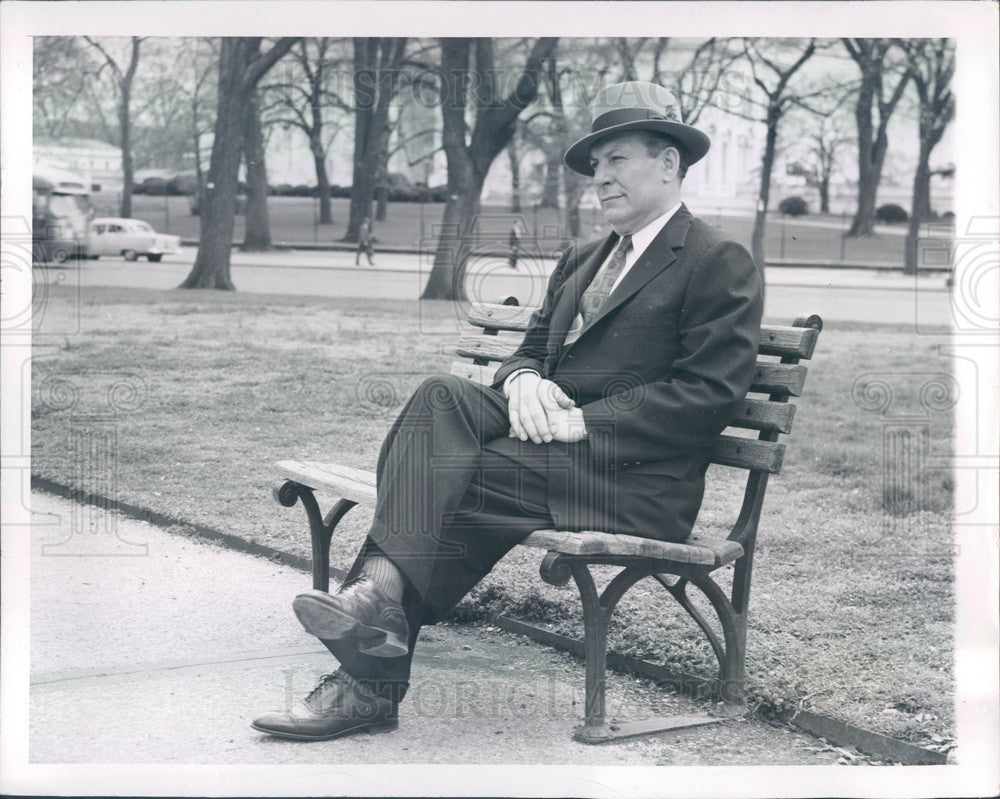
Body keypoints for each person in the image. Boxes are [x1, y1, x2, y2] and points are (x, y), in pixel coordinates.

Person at [252, 81, 764, 741]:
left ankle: (368, 674)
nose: (600, 178)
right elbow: (528, 350)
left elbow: (709, 395)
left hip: (636, 483)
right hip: (549, 456)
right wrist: (521, 378)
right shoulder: (586, 258)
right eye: (594, 165)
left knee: (453, 471)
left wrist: (585, 420)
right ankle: (378, 602)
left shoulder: (715, 260)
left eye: (617, 160)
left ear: (669, 164)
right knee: (441, 396)